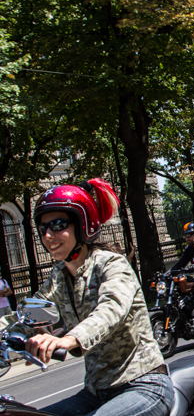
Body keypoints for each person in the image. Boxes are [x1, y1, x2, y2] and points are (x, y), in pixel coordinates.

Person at [22, 178, 174, 416]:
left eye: (58, 225)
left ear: (82, 224)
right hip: (95, 392)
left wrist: (69, 339)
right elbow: (27, 314)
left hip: (143, 383)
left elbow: (111, 309)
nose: (48, 235)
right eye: (43, 229)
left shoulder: (112, 264)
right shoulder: (59, 276)